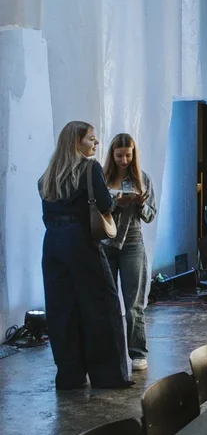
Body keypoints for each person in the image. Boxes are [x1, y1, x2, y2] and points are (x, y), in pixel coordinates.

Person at [38, 121, 131, 390]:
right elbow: (104, 204)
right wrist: (114, 201)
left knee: (62, 310)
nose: (96, 143)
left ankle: (70, 376)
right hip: (80, 241)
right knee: (101, 305)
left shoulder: (48, 174)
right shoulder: (89, 168)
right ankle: (108, 376)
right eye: (91, 138)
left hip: (52, 244)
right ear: (76, 142)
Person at [103, 133, 157, 372]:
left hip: (133, 242)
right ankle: (110, 354)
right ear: (112, 155)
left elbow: (151, 215)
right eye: (119, 156)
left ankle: (138, 353)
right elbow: (95, 211)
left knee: (134, 303)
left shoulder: (142, 178)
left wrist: (140, 204)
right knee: (107, 302)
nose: (124, 160)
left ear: (134, 154)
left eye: (128, 155)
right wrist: (116, 203)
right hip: (106, 243)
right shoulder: (103, 178)